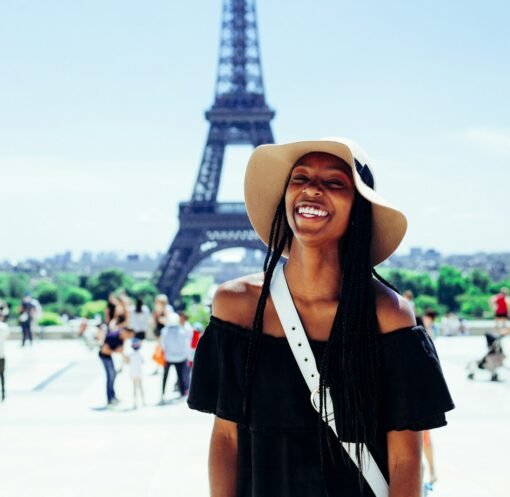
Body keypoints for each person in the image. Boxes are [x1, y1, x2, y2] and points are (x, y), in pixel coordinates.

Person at [188, 137, 455, 497]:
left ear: (359, 209)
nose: (312, 189)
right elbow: (226, 438)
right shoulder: (235, 307)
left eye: (334, 183)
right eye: (299, 179)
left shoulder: (389, 317)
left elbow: (405, 460)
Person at [98, 325, 135, 407]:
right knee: (110, 376)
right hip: (104, 356)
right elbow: (104, 350)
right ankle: (110, 398)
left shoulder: (123, 339)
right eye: (129, 336)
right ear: (125, 332)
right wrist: (115, 351)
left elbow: (121, 350)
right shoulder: (112, 336)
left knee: (113, 375)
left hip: (109, 356)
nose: (129, 338)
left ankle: (113, 396)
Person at [160, 311, 192, 402]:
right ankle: (182, 393)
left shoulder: (164, 331)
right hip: (180, 357)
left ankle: (163, 393)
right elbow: (185, 345)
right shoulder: (182, 331)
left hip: (168, 357)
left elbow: (162, 345)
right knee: (180, 375)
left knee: (165, 376)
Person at [128, 338, 145, 408]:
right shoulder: (139, 354)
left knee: (134, 388)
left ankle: (135, 402)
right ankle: (143, 401)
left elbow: (127, 362)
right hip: (139, 373)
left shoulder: (131, 355)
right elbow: (143, 362)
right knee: (141, 387)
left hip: (133, 373)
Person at [0, 311, 9, 401]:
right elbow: (7, 336)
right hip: (1, 354)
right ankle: (3, 392)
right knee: (2, 374)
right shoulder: (4, 326)